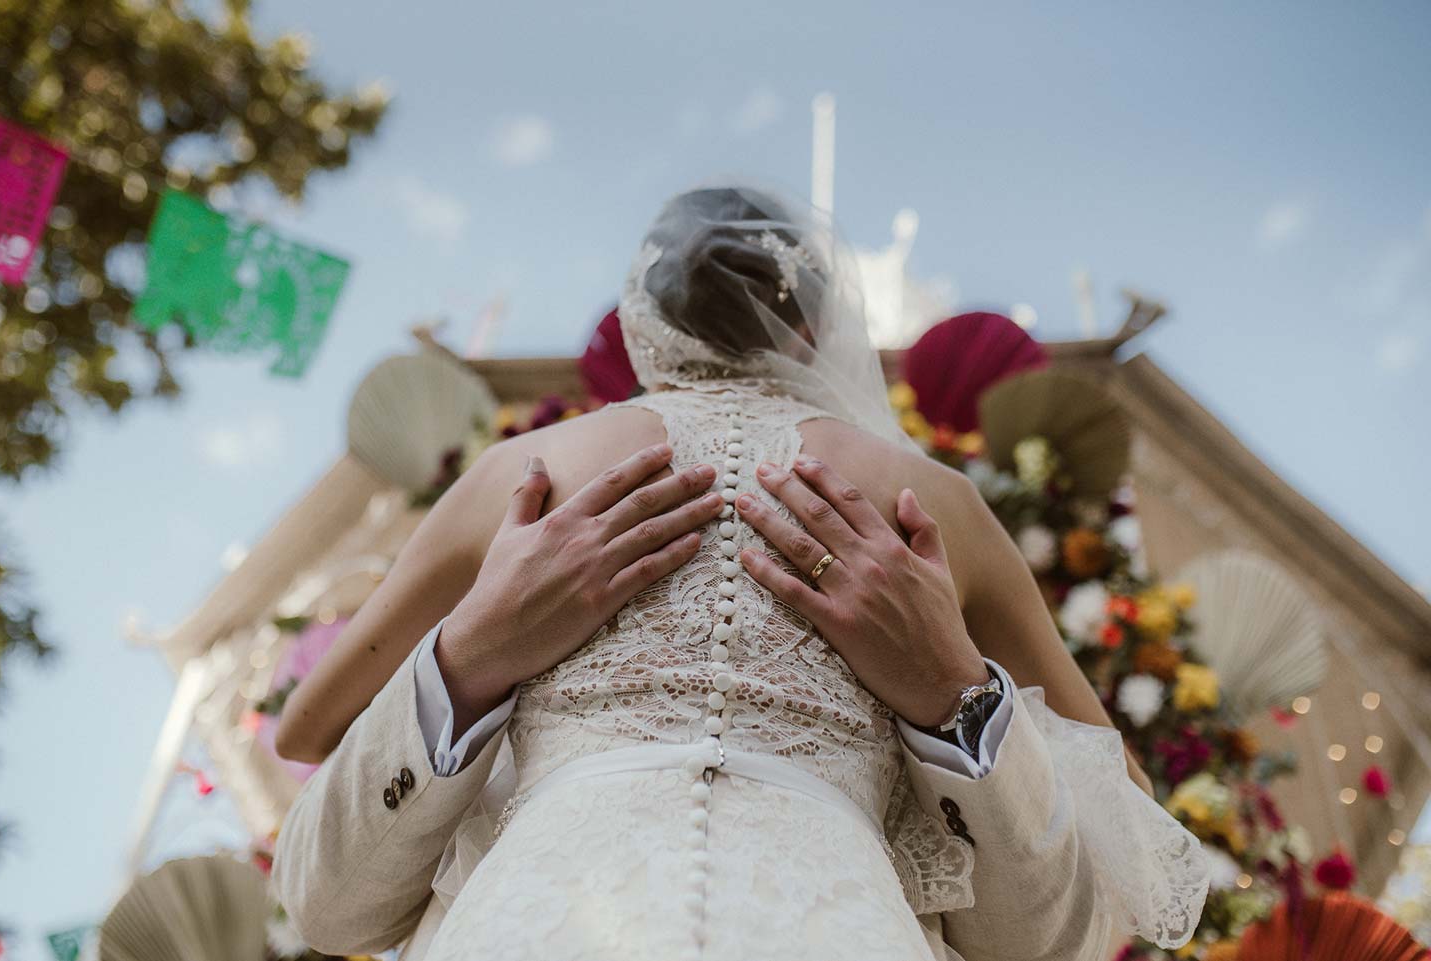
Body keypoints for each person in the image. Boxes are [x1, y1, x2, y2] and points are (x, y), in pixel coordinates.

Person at [272, 183, 1209, 961]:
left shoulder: (521, 474)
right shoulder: (934, 501)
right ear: (817, 328)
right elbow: (1121, 831)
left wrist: (465, 663)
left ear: (641, 322)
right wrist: (959, 702)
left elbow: (309, 732)